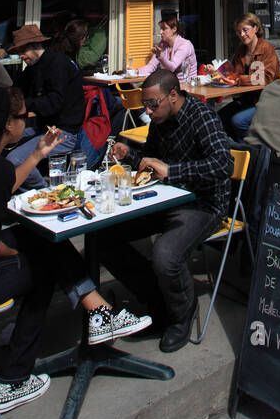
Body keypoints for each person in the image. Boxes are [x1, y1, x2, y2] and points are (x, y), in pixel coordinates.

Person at [0, 88, 150, 414]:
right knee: (41, 267)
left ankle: (99, 313)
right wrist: (16, 257)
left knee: (40, 240)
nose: (27, 120)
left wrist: (37, 153)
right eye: (22, 116)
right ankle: (14, 378)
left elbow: (4, 184)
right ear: (7, 126)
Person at [98, 70, 232, 353]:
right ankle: (158, 300)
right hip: (165, 198)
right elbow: (152, 162)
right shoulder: (160, 120)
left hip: (204, 203)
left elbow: (224, 165)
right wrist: (129, 155)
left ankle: (181, 312)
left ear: (174, 95)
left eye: (153, 104)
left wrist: (173, 171)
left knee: (166, 255)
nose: (148, 111)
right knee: (103, 239)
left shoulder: (202, 116)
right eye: (146, 105)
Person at [6, 24, 84, 187]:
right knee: (1, 142)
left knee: (16, 160)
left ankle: (42, 192)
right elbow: (16, 91)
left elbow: (53, 103)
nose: (20, 56)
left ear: (35, 46)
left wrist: (24, 104)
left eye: (22, 51)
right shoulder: (33, 68)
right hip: (42, 126)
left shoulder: (58, 64)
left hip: (62, 132)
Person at [220, 13, 280, 141]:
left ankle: (251, 153)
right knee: (219, 117)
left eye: (245, 30)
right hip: (246, 100)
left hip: (264, 101)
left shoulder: (267, 49)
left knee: (238, 121)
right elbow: (233, 73)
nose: (242, 35)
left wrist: (238, 80)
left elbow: (265, 79)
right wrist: (217, 73)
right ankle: (237, 147)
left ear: (256, 28)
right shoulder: (241, 50)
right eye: (239, 32)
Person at [136, 11, 197, 85]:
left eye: (164, 29)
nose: (160, 32)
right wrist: (136, 71)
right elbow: (151, 66)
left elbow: (172, 67)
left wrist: (160, 56)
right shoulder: (163, 44)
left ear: (174, 29)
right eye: (160, 28)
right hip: (170, 86)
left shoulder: (185, 45)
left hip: (188, 87)